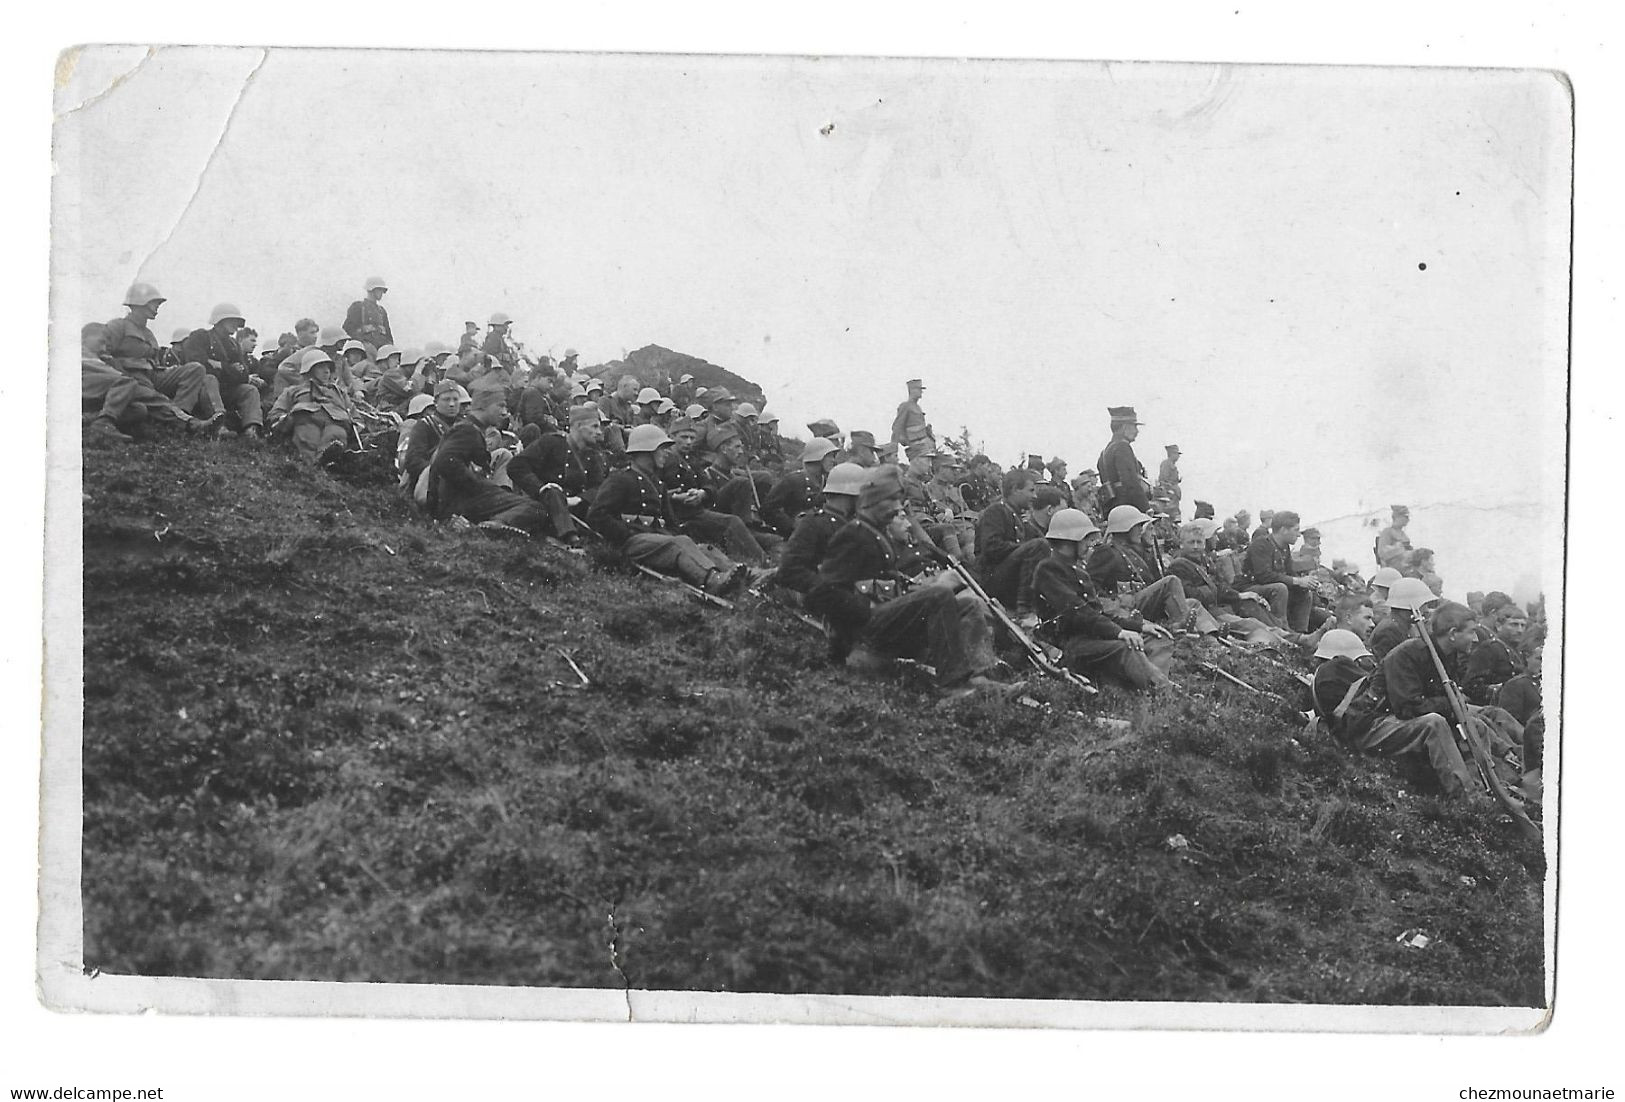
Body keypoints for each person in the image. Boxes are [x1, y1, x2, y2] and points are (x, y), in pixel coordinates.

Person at [805, 465, 1005, 699]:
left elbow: (890, 583)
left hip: (884, 621)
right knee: (939, 595)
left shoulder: (876, 535)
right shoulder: (854, 534)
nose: (896, 509)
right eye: (890, 502)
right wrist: (849, 634)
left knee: (967, 605)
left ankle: (977, 675)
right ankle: (952, 685)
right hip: (864, 631)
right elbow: (822, 592)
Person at [1356, 601, 1524, 800]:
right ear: (1453, 634)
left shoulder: (1447, 655)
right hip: (1372, 724)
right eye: (1470, 632)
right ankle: (1469, 797)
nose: (1475, 638)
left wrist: (1455, 708)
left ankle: (1493, 785)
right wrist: (1450, 704)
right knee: (1435, 723)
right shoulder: (1407, 654)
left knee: (1475, 726)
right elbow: (1407, 707)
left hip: (1399, 721)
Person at [588, 425, 752, 596]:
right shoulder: (620, 480)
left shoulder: (659, 485)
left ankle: (748, 575)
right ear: (646, 451)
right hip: (634, 542)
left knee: (703, 548)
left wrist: (672, 536)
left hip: (660, 541)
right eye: (662, 449)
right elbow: (597, 515)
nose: (667, 453)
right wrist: (626, 535)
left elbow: (672, 522)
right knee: (680, 542)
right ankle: (712, 580)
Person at [1030, 508, 1173, 690]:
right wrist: (1118, 633)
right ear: (1069, 541)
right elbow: (1078, 612)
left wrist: (1139, 626)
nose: (1090, 544)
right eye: (1085, 539)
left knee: (1157, 638)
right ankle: (1159, 691)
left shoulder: (1078, 571)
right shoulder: (1048, 569)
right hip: (1071, 644)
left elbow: (1099, 614)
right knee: (1126, 647)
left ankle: (1146, 684)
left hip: (1094, 638)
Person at [426, 388, 546, 535]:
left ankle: (490, 524)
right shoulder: (467, 430)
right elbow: (445, 462)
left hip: (457, 501)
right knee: (536, 507)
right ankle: (495, 524)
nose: (504, 412)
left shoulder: (469, 428)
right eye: (500, 406)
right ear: (482, 406)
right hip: (460, 502)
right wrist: (478, 485)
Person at [657, 417, 772, 565]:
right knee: (732, 522)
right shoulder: (663, 460)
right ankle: (762, 562)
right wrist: (675, 497)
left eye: (692, 438)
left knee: (733, 519)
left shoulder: (691, 461)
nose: (689, 442)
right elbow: (656, 490)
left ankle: (759, 558)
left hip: (696, 511)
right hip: (680, 517)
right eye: (684, 437)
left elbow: (709, 485)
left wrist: (702, 493)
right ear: (672, 437)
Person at [1087, 505, 1215, 633]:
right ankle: (1183, 630)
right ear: (1125, 528)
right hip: (1126, 606)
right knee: (1171, 581)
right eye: (1137, 526)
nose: (1140, 530)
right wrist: (1116, 602)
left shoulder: (1136, 552)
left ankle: (1212, 634)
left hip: (1140, 602)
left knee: (1192, 603)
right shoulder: (1106, 552)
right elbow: (1091, 587)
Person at [102, 282, 212, 424]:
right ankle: (182, 422)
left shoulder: (149, 334)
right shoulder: (118, 326)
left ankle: (181, 414)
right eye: (154, 304)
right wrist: (122, 375)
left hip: (153, 375)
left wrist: (167, 369)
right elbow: (103, 354)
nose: (157, 308)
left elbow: (155, 361)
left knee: (195, 369)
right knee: (154, 397)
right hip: (132, 377)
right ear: (140, 303)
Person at [508, 401, 611, 543]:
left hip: (574, 508)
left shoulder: (591, 455)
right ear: (579, 426)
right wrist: (541, 488)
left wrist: (579, 499)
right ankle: (571, 537)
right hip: (545, 504)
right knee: (554, 492)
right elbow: (516, 466)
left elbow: (599, 487)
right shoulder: (550, 442)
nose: (599, 432)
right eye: (594, 426)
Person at [1164, 522, 1282, 641]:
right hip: (1207, 613)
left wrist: (1237, 595)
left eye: (1199, 542)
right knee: (1250, 624)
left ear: (1204, 544)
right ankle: (1287, 640)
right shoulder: (1178, 565)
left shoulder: (1204, 561)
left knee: (1254, 613)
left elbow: (1219, 584)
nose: (1195, 546)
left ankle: (1287, 636)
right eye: (1191, 542)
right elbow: (1191, 595)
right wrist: (1214, 589)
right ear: (1181, 544)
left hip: (1219, 607)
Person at [81, 321, 193, 439]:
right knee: (129, 383)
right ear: (84, 339)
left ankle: (89, 418)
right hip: (83, 388)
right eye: (101, 342)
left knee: (138, 409)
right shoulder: (81, 354)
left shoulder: (98, 357)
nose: (103, 348)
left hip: (96, 393)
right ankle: (104, 422)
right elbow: (116, 376)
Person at [177, 303, 265, 438]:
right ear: (220, 320)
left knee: (249, 390)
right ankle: (218, 426)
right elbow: (199, 364)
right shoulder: (200, 336)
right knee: (209, 378)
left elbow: (242, 373)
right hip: (204, 389)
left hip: (226, 389)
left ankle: (251, 429)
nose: (236, 325)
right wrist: (229, 369)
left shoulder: (233, 344)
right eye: (232, 320)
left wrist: (219, 366)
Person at [777, 462, 865, 595]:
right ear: (849, 495)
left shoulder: (854, 525)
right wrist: (832, 589)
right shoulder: (813, 524)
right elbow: (789, 571)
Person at [1241, 510, 1325, 633]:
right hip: (1250, 587)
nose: (1298, 535)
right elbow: (1263, 576)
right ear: (1283, 530)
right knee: (1280, 588)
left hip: (1270, 587)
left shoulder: (1284, 546)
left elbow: (1289, 572)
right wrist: (1296, 580)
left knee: (1304, 591)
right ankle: (1282, 631)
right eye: (1295, 530)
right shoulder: (1260, 544)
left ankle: (1300, 632)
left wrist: (1307, 582)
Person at [266, 351, 357, 464]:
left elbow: (354, 415)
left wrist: (356, 426)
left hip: (335, 423)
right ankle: (313, 467)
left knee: (336, 438)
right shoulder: (293, 391)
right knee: (308, 440)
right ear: (309, 370)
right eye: (320, 367)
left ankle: (324, 461)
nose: (326, 371)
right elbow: (275, 414)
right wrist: (284, 420)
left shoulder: (339, 392)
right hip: (306, 421)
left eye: (328, 367)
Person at [398, 381, 463, 506]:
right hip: (431, 483)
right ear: (436, 403)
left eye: (455, 399)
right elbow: (413, 461)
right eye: (446, 399)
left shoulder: (463, 426)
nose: (451, 404)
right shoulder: (424, 426)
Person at [761, 438, 837, 537]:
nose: (833, 460)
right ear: (818, 457)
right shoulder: (793, 480)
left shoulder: (827, 482)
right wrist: (791, 525)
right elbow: (767, 509)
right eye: (829, 456)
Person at [975, 468, 1038, 574]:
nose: (1035, 496)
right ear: (1015, 489)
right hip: (993, 576)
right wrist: (1027, 548)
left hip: (1011, 574)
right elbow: (991, 548)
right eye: (1031, 490)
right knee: (1039, 546)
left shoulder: (1020, 518)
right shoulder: (995, 512)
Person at [1465, 606, 1529, 704]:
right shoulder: (1489, 649)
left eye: (1523, 625)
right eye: (1514, 625)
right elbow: (1471, 686)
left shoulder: (1521, 652)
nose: (1519, 630)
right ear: (1499, 626)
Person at [1367, 576, 1441, 662]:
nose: (1426, 610)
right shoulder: (1389, 631)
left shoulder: (1404, 626)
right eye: (1423, 605)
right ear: (1409, 606)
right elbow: (1392, 667)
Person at [1096, 406, 1150, 514]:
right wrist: (1146, 508)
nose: (1136, 431)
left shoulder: (1105, 452)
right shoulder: (1122, 447)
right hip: (1128, 508)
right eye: (1134, 427)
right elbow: (1130, 483)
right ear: (1125, 427)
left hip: (1114, 509)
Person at [344, 276, 393, 353]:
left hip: (381, 350)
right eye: (379, 290)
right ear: (371, 290)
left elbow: (388, 336)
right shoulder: (358, 307)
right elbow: (348, 329)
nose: (381, 293)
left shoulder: (381, 311)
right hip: (364, 350)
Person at [890, 378, 935, 461]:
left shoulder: (918, 407)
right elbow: (897, 427)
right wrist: (893, 450)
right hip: (915, 446)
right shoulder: (905, 406)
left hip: (925, 445)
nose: (921, 392)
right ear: (912, 390)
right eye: (919, 389)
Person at [1375, 504, 1413, 571]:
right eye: (1405, 517)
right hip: (1392, 569)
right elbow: (1382, 552)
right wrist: (1400, 547)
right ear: (1397, 517)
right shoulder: (1387, 532)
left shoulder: (1403, 534)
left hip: (1406, 566)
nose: (1408, 520)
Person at [1156, 445, 1182, 515]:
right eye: (1176, 454)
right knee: (1169, 513)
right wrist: (1171, 488)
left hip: (1174, 494)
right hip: (1169, 494)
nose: (1178, 456)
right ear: (1171, 454)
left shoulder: (1172, 465)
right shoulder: (1166, 464)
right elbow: (1163, 479)